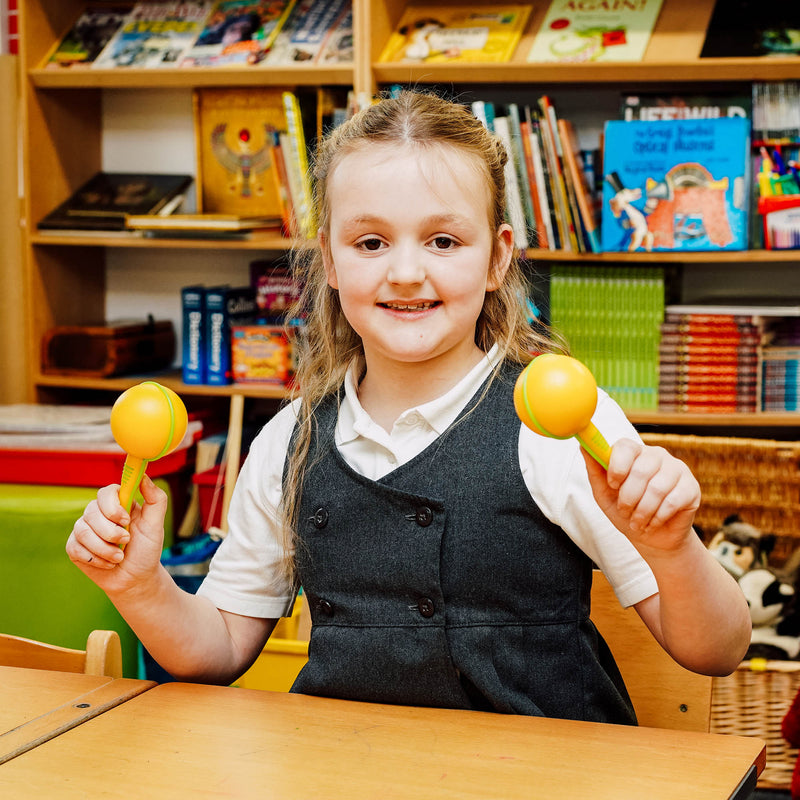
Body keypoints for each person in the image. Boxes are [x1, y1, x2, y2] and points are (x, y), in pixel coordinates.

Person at [67, 90, 751, 723]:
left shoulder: (562, 424)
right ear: (330, 263)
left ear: (496, 260)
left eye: (443, 240)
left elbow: (717, 651)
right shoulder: (289, 440)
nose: (403, 272)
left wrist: (673, 549)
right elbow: (213, 652)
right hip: (349, 774)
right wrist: (140, 585)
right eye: (370, 242)